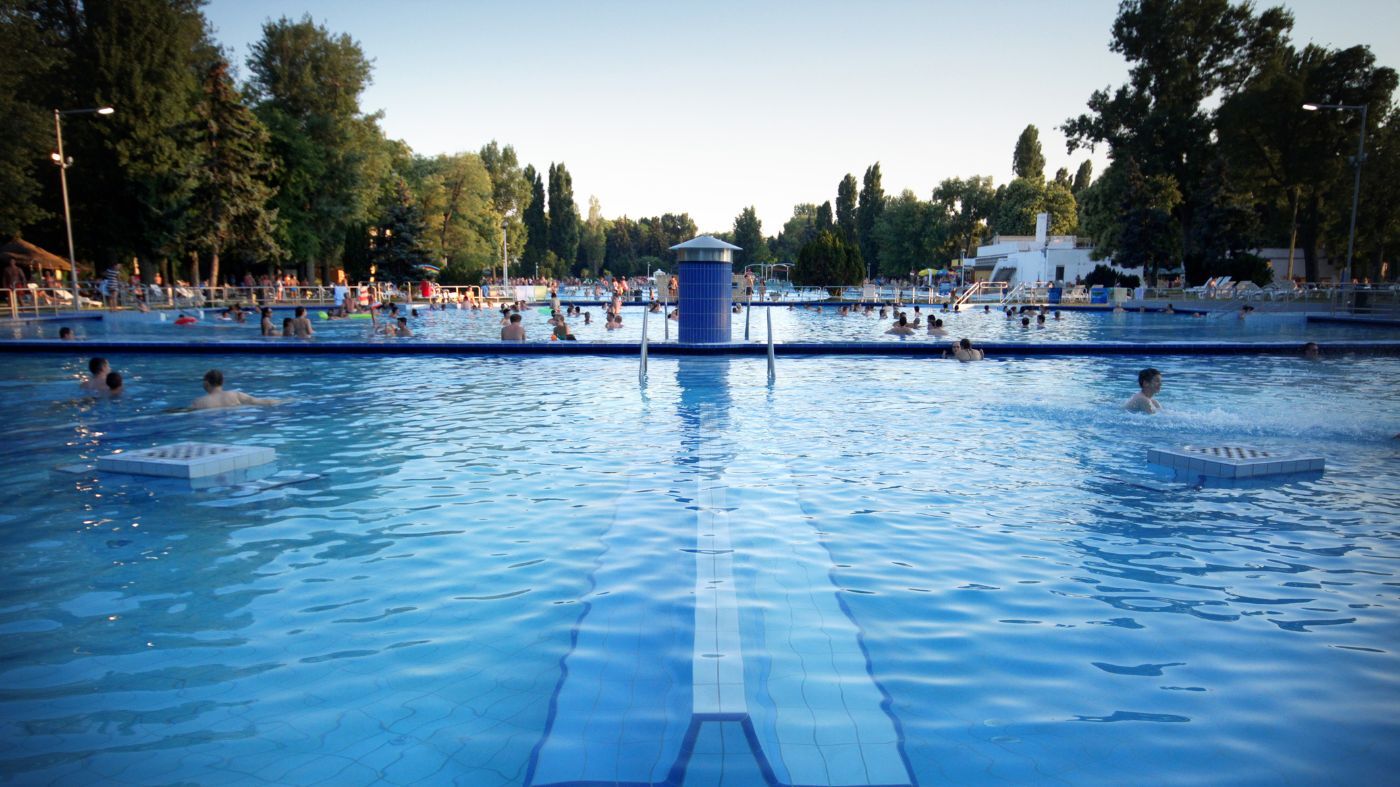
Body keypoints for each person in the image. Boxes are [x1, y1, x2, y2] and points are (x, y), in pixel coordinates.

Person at [191, 369, 281, 410]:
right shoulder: (236, 395)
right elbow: (263, 402)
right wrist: (284, 401)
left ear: (206, 383)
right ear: (222, 382)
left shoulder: (199, 402)